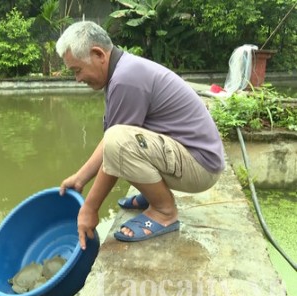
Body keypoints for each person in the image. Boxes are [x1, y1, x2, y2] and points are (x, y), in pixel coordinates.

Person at [55, 21, 225, 249]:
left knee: (119, 141)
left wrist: (90, 208)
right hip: (188, 155)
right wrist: (80, 177)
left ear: (98, 54)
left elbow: (116, 146)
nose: (77, 78)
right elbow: (112, 141)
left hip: (200, 166)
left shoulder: (126, 79)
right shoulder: (123, 71)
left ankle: (164, 211)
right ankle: (154, 194)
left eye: (77, 70)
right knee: (118, 138)